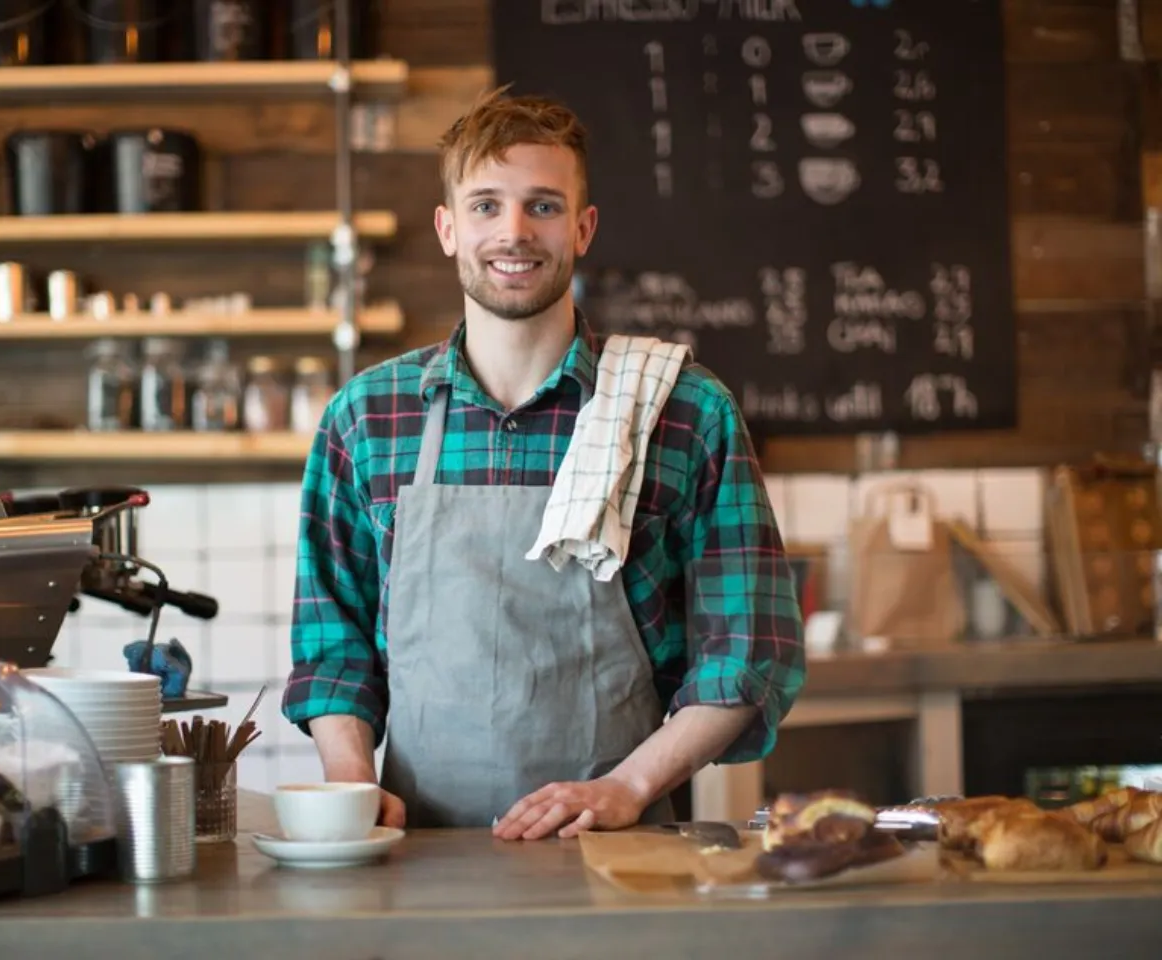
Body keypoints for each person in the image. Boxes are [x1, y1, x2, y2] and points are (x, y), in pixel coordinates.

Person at [282, 86, 805, 841]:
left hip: (616, 848)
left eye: (544, 206)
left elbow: (749, 651)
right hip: (413, 854)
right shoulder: (366, 418)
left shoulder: (682, 411)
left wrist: (628, 787)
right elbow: (333, 646)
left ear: (583, 228)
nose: (515, 232)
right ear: (448, 228)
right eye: (486, 205)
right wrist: (353, 784)